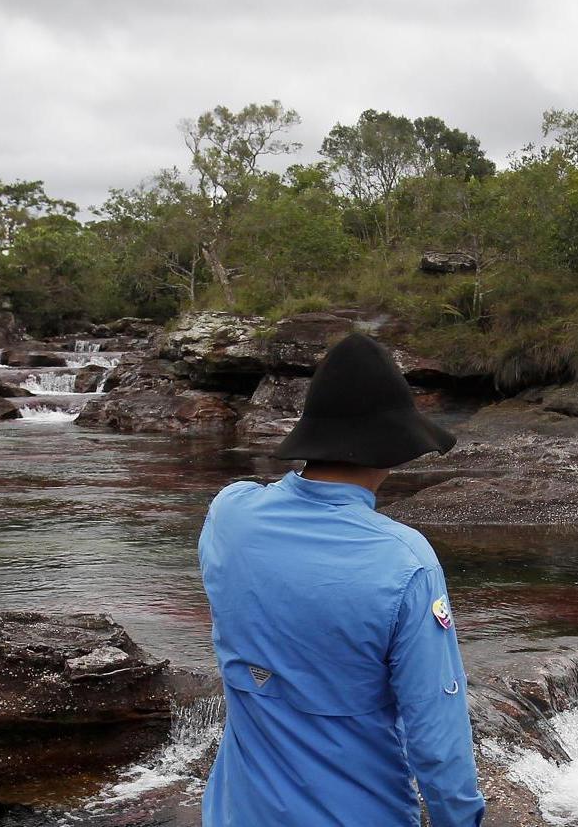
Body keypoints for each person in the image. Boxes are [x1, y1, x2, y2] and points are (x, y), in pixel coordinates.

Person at [198, 332, 486, 827]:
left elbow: (251, 493)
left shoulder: (229, 515)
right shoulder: (407, 561)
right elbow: (436, 738)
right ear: (394, 448)